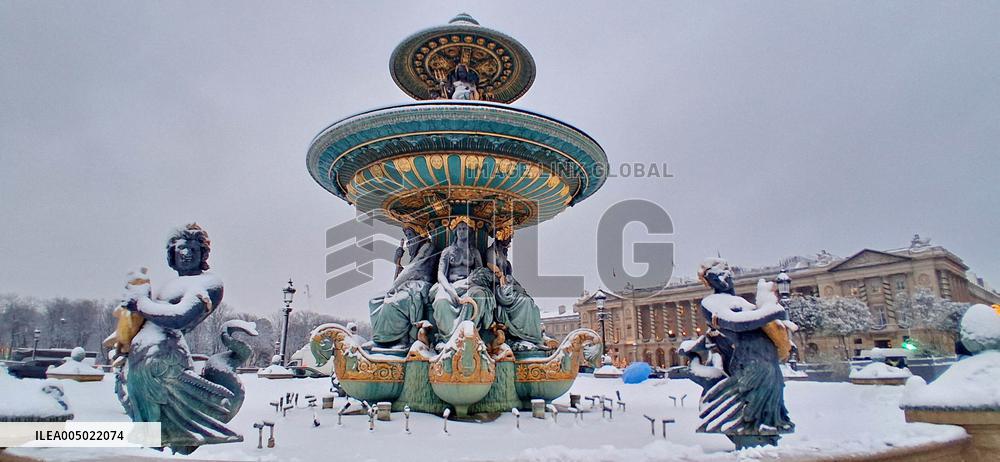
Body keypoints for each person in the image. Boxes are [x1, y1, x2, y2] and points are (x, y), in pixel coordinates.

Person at [119, 224, 248, 454]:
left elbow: (181, 317)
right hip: (143, 362)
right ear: (172, 253)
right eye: (181, 249)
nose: (186, 254)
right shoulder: (169, 285)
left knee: (168, 429)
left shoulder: (208, 283)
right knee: (149, 430)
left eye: (192, 249)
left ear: (203, 255)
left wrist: (140, 303)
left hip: (165, 363)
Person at [693, 258, 795, 449]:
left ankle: (762, 442)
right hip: (750, 359)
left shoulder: (741, 301)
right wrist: (770, 312)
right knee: (754, 407)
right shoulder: (710, 302)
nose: (722, 279)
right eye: (715, 276)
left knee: (770, 408)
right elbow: (735, 323)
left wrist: (778, 321)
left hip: (767, 357)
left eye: (725, 273)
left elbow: (765, 325)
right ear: (708, 281)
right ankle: (753, 445)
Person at [368, 224, 437, 348]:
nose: (408, 240)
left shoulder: (427, 247)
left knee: (392, 303)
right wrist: (397, 261)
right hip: (407, 285)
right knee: (374, 300)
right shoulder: (414, 252)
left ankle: (396, 340)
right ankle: (379, 338)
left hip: (419, 286)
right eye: (407, 236)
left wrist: (394, 287)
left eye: (410, 235)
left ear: (419, 235)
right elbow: (405, 272)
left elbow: (412, 270)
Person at [430, 217, 491, 345]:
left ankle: (471, 337)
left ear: (469, 232)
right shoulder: (447, 251)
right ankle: (447, 339)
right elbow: (440, 274)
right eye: (459, 229)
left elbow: (480, 273)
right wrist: (449, 289)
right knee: (441, 301)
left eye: (464, 229)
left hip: (470, 285)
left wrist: (471, 282)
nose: (461, 231)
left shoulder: (475, 252)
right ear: (455, 232)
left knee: (480, 296)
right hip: (450, 285)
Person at [487, 225, 546, 349]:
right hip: (496, 287)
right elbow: (490, 267)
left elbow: (510, 276)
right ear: (500, 235)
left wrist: (517, 287)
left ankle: (531, 337)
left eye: (510, 238)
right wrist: (500, 276)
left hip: (506, 286)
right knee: (525, 303)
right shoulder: (492, 252)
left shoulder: (503, 255)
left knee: (529, 302)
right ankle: (524, 335)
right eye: (508, 237)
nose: (510, 240)